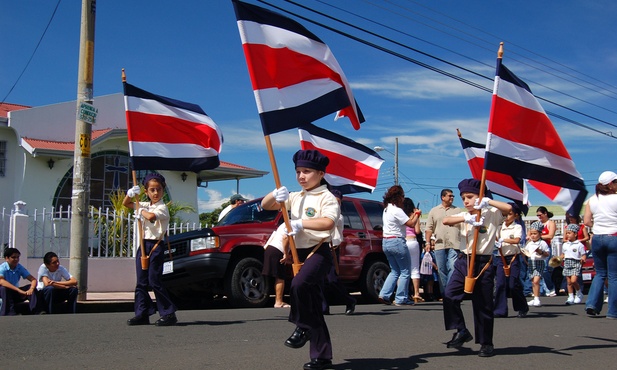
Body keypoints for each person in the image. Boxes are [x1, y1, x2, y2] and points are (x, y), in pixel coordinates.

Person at [261, 149, 338, 370]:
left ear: (321, 174)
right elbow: (266, 206)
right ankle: (322, 356)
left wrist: (300, 223)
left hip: (319, 250)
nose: (301, 176)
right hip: (298, 253)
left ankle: (302, 326)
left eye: (307, 171)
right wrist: (275, 194)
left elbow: (327, 223)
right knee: (312, 305)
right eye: (297, 172)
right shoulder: (295, 197)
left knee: (298, 284)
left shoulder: (327, 197)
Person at [441, 179, 511, 357]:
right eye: (463, 197)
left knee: (483, 304)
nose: (466, 201)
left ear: (480, 197)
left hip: (483, 262)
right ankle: (461, 329)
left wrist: (488, 201)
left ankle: (486, 343)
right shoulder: (465, 215)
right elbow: (446, 220)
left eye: (470, 197)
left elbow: (509, 209)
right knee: (450, 295)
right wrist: (466, 218)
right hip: (464, 260)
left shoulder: (492, 212)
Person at [123, 173, 177, 326]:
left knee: (154, 280)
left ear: (163, 190)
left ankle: (168, 313)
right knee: (141, 282)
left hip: (155, 246)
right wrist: (130, 194)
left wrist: (140, 211)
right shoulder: (145, 204)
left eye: (158, 189)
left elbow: (152, 217)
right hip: (143, 245)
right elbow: (127, 204)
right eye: (152, 190)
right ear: (146, 192)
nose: (155, 193)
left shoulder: (162, 207)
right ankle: (142, 313)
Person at [378, 185, 422, 306]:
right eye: (402, 196)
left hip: (386, 242)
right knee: (405, 271)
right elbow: (411, 224)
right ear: (398, 197)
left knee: (395, 270)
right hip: (397, 241)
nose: (403, 199)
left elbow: (405, 222)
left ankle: (384, 294)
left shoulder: (386, 209)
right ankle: (401, 298)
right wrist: (417, 214)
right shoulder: (397, 210)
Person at [584, 170, 617, 318]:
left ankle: (591, 304)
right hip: (613, 236)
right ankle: (613, 311)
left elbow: (586, 222)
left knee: (600, 273)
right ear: (610, 184)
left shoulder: (592, 200)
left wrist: (596, 226)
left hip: (597, 237)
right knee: (614, 276)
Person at [322, 189, 356, 316]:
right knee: (320, 279)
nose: (334, 204)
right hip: (320, 246)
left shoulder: (338, 216)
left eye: (337, 201)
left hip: (332, 248)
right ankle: (323, 307)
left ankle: (350, 300)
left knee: (332, 279)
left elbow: (328, 224)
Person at [493, 203, 528, 318]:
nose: (506, 216)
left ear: (516, 215)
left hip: (513, 257)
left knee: (513, 284)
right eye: (504, 214)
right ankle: (500, 310)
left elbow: (517, 240)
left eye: (509, 214)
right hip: (500, 258)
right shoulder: (498, 227)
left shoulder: (517, 227)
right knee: (500, 284)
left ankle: (522, 307)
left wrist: (504, 240)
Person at [425, 189, 461, 297]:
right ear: (443, 197)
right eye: (449, 196)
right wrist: (427, 243)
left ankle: (450, 291)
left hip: (454, 244)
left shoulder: (458, 210)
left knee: (453, 267)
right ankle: (445, 292)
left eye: (452, 196)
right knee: (441, 270)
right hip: (439, 244)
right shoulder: (434, 211)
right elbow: (429, 228)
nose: (452, 198)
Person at [0, 247, 38, 315]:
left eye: (17, 257)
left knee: (30, 287)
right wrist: (18, 290)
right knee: (4, 289)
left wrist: (31, 289)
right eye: (13, 257)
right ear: (7, 258)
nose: (16, 259)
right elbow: (1, 281)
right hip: (4, 293)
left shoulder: (19, 267)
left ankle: (35, 310)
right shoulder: (2, 268)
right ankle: (9, 313)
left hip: (15, 292)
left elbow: (33, 279)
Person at [262, 222, 291, 308]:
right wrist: (285, 254)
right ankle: (278, 302)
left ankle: (276, 300)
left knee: (274, 275)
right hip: (278, 250)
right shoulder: (292, 224)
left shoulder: (284, 223)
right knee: (280, 276)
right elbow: (285, 238)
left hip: (270, 248)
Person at [525, 222, 551, 308]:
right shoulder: (529, 243)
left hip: (539, 262)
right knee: (533, 281)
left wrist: (541, 252)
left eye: (535, 234)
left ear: (540, 234)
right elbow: (526, 252)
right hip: (531, 262)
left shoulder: (542, 243)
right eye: (531, 234)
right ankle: (535, 297)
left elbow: (547, 253)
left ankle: (537, 299)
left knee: (536, 280)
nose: (532, 235)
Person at [560, 224, 587, 305]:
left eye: (569, 233)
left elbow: (583, 254)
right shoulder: (565, 244)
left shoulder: (579, 245)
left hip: (576, 262)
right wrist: (559, 258)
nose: (567, 235)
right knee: (569, 282)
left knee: (574, 280)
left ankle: (579, 293)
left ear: (575, 234)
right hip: (567, 262)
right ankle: (570, 296)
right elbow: (563, 254)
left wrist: (583, 259)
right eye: (567, 233)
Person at [403, 197, 423, 303]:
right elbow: (418, 231)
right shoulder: (414, 215)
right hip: (413, 241)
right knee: (415, 269)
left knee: (403, 269)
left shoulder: (401, 215)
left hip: (403, 242)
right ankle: (416, 293)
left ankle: (403, 293)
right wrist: (417, 215)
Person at [535, 206, 558, 297]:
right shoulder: (537, 223)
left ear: (545, 213)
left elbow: (550, 235)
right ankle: (541, 290)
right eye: (537, 215)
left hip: (546, 247)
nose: (539, 217)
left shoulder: (550, 223)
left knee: (545, 269)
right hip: (537, 248)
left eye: (540, 215)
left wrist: (538, 237)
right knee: (537, 270)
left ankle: (550, 287)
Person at [420, 237, 439, 301]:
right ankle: (429, 294)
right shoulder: (426, 254)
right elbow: (430, 261)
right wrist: (435, 266)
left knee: (431, 282)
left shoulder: (433, 253)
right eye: (432, 245)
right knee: (429, 283)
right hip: (429, 270)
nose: (432, 247)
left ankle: (431, 293)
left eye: (434, 245)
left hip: (432, 271)